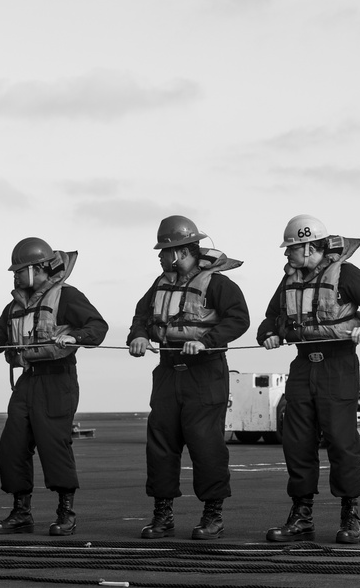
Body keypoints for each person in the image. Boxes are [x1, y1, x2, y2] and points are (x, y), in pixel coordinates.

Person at [257, 215, 360, 545]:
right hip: (303, 367)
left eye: (291, 248)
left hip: (339, 364)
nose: (286, 255)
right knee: (297, 442)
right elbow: (269, 319)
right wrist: (270, 335)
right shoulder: (288, 281)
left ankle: (350, 515)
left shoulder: (347, 274)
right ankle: (301, 517)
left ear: (307, 247)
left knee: (342, 443)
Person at [127, 216, 250, 540]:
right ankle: (162, 517)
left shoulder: (219, 285)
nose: (160, 256)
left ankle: (213, 517)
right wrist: (137, 336)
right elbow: (140, 317)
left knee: (206, 445)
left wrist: (206, 341)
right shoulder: (159, 284)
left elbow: (239, 319)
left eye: (164, 250)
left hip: (204, 374)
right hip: (168, 373)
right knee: (160, 444)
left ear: (180, 251)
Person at [0, 238, 108, 537]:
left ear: (37, 269)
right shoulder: (14, 305)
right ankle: (21, 514)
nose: (14, 275)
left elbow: (97, 327)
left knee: (54, 446)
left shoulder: (67, 296)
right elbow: (0, 331)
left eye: (19, 269)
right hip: (27, 380)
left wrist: (76, 337)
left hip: (58, 379)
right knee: (12, 447)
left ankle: (66, 514)